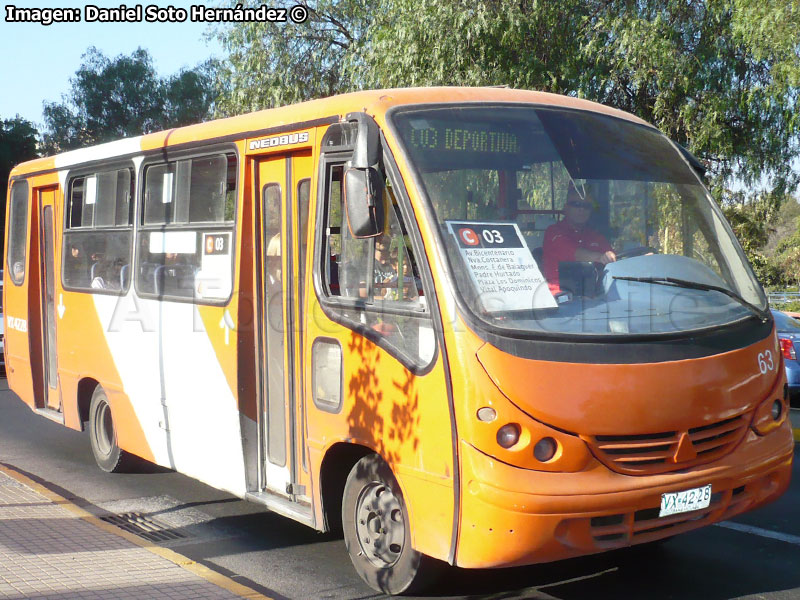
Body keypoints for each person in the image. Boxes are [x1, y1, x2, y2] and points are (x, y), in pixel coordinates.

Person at [542, 183, 616, 294]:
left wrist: (639, 259)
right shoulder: (553, 232)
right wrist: (601, 257)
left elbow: (613, 259)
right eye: (576, 204)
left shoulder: (595, 236)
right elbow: (574, 253)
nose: (582, 209)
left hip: (593, 298)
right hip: (559, 299)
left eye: (586, 206)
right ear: (566, 207)